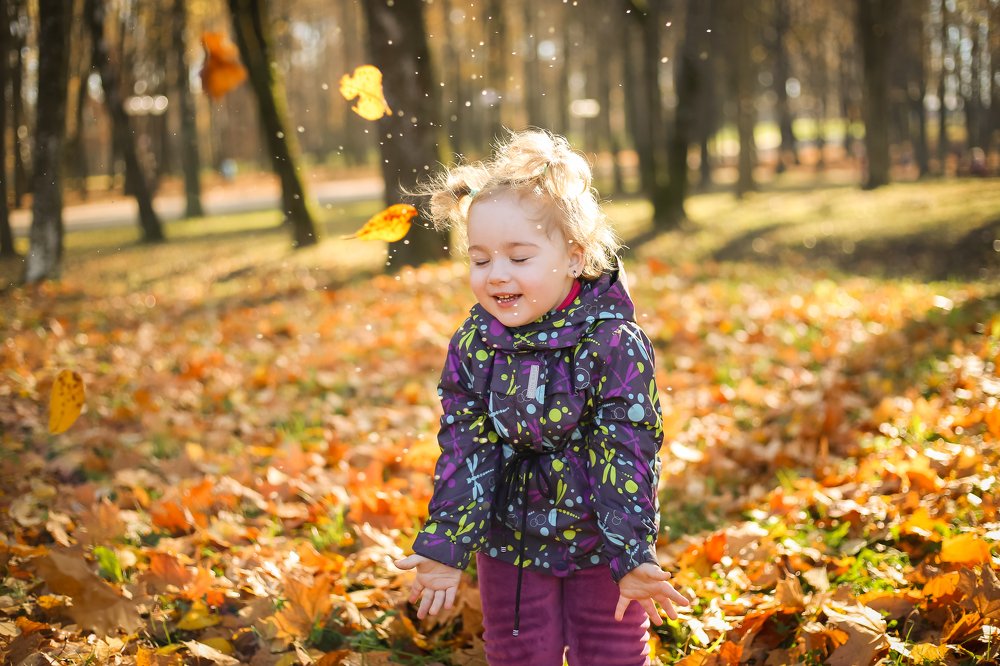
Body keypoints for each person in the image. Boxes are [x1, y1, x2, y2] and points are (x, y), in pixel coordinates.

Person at [394, 129, 690, 665]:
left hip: (599, 539)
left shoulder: (612, 343)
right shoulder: (475, 345)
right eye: (480, 260)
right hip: (510, 539)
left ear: (574, 258)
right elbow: (467, 448)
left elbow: (626, 448)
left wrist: (630, 554)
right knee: (518, 652)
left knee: (611, 650)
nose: (496, 275)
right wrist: (447, 543)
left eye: (519, 257)